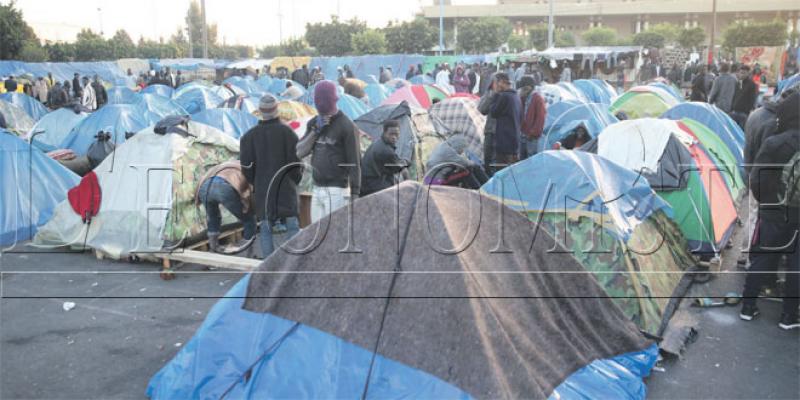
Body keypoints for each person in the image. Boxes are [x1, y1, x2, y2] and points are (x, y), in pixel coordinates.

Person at [740, 91, 799, 330]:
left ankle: (748, 307)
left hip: (773, 212)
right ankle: (788, 316)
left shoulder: (775, 142)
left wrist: (767, 203)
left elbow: (757, 179)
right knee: (797, 265)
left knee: (761, 259)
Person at [240, 93, 302, 258]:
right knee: (292, 227)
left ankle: (269, 269)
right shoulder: (288, 133)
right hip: (286, 188)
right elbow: (297, 163)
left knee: (266, 229)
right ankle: (292, 266)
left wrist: (255, 182)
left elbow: (246, 167)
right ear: (277, 110)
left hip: (263, 189)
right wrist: (294, 180)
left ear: (260, 111)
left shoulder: (249, 137)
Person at [298, 81, 361, 223]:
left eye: (322, 101)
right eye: (317, 101)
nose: (319, 105)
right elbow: (299, 152)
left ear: (332, 100)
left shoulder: (347, 126)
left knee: (334, 235)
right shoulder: (314, 122)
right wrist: (316, 131)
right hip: (317, 187)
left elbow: (355, 162)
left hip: (337, 189)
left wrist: (355, 194)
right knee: (316, 234)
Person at [195, 161, 257, 256]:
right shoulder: (245, 169)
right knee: (249, 219)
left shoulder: (226, 165)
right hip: (222, 186)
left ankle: (213, 254)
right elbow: (247, 193)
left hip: (204, 187)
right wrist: (250, 208)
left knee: (213, 218)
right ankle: (248, 255)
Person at [360, 120, 409, 196]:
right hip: (371, 187)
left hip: (366, 185)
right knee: (402, 174)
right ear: (384, 133)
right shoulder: (385, 150)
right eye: (391, 134)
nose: (394, 137)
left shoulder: (379, 142)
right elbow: (401, 168)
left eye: (396, 134)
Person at [424, 135, 488, 189]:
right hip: (435, 181)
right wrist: (475, 164)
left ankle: (483, 187)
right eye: (461, 149)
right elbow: (465, 163)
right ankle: (481, 190)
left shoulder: (443, 146)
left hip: (431, 178)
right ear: (458, 145)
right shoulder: (448, 151)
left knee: (466, 170)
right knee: (467, 171)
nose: (461, 152)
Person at [489, 73, 521, 169]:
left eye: (497, 83)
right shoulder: (516, 96)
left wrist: (495, 95)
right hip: (514, 140)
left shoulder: (504, 96)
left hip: (504, 141)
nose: (496, 85)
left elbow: (493, 112)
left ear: (502, 82)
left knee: (501, 169)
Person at [518, 77, 546, 159]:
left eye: (525, 87)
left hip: (531, 137)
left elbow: (540, 118)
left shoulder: (537, 99)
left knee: (530, 158)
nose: (523, 89)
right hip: (522, 134)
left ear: (531, 87)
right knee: (522, 159)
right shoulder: (523, 98)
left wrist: (533, 133)